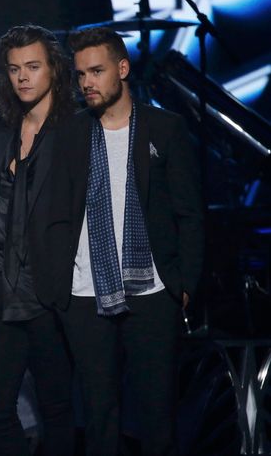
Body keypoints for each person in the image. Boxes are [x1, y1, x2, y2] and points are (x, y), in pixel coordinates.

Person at [57, 27, 204, 455]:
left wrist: (186, 284)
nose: (87, 82)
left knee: (157, 414)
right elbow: (55, 215)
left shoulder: (166, 128)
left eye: (97, 71)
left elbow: (190, 213)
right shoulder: (70, 133)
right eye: (81, 73)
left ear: (122, 69)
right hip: (85, 292)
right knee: (99, 416)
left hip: (153, 290)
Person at [0, 24, 76, 455]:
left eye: (32, 67)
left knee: (58, 408)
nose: (23, 77)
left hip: (50, 294)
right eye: (15, 69)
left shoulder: (74, 133)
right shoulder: (5, 133)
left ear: (53, 69)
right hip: (2, 292)